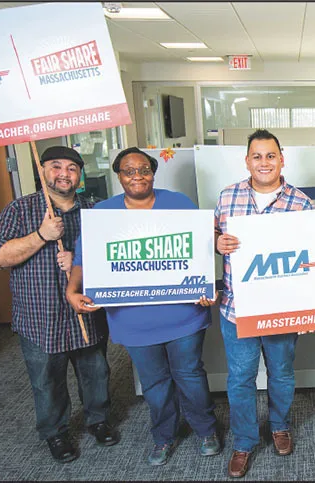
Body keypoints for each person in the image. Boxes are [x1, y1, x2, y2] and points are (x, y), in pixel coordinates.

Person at [65, 147, 221, 466]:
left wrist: (206, 284)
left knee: (189, 375)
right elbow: (83, 259)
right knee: (154, 382)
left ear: (153, 172)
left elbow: (206, 244)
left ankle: (206, 429)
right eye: (128, 171)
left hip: (184, 314)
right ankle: (164, 436)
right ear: (118, 176)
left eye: (143, 170)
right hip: (132, 319)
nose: (137, 176)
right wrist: (71, 290)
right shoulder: (103, 213)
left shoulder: (178, 203)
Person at [0, 146, 118, 463]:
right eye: (56, 166)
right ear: (42, 169)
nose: (64, 174)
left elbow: (115, 258)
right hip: (40, 316)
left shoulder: (94, 211)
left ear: (80, 174)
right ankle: (55, 432)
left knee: (96, 372)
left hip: (85, 309)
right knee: (47, 381)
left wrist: (79, 261)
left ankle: (98, 420)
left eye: (72, 168)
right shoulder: (20, 210)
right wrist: (41, 235)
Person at [214, 129, 313, 478]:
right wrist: (217, 243)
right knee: (240, 378)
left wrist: (307, 307)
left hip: (280, 311)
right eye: (257, 156)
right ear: (247, 161)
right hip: (236, 310)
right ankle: (243, 442)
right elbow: (212, 236)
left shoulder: (300, 203)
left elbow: (310, 260)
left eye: (271, 155)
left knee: (282, 373)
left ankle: (279, 425)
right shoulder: (227, 198)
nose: (264, 162)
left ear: (282, 159)